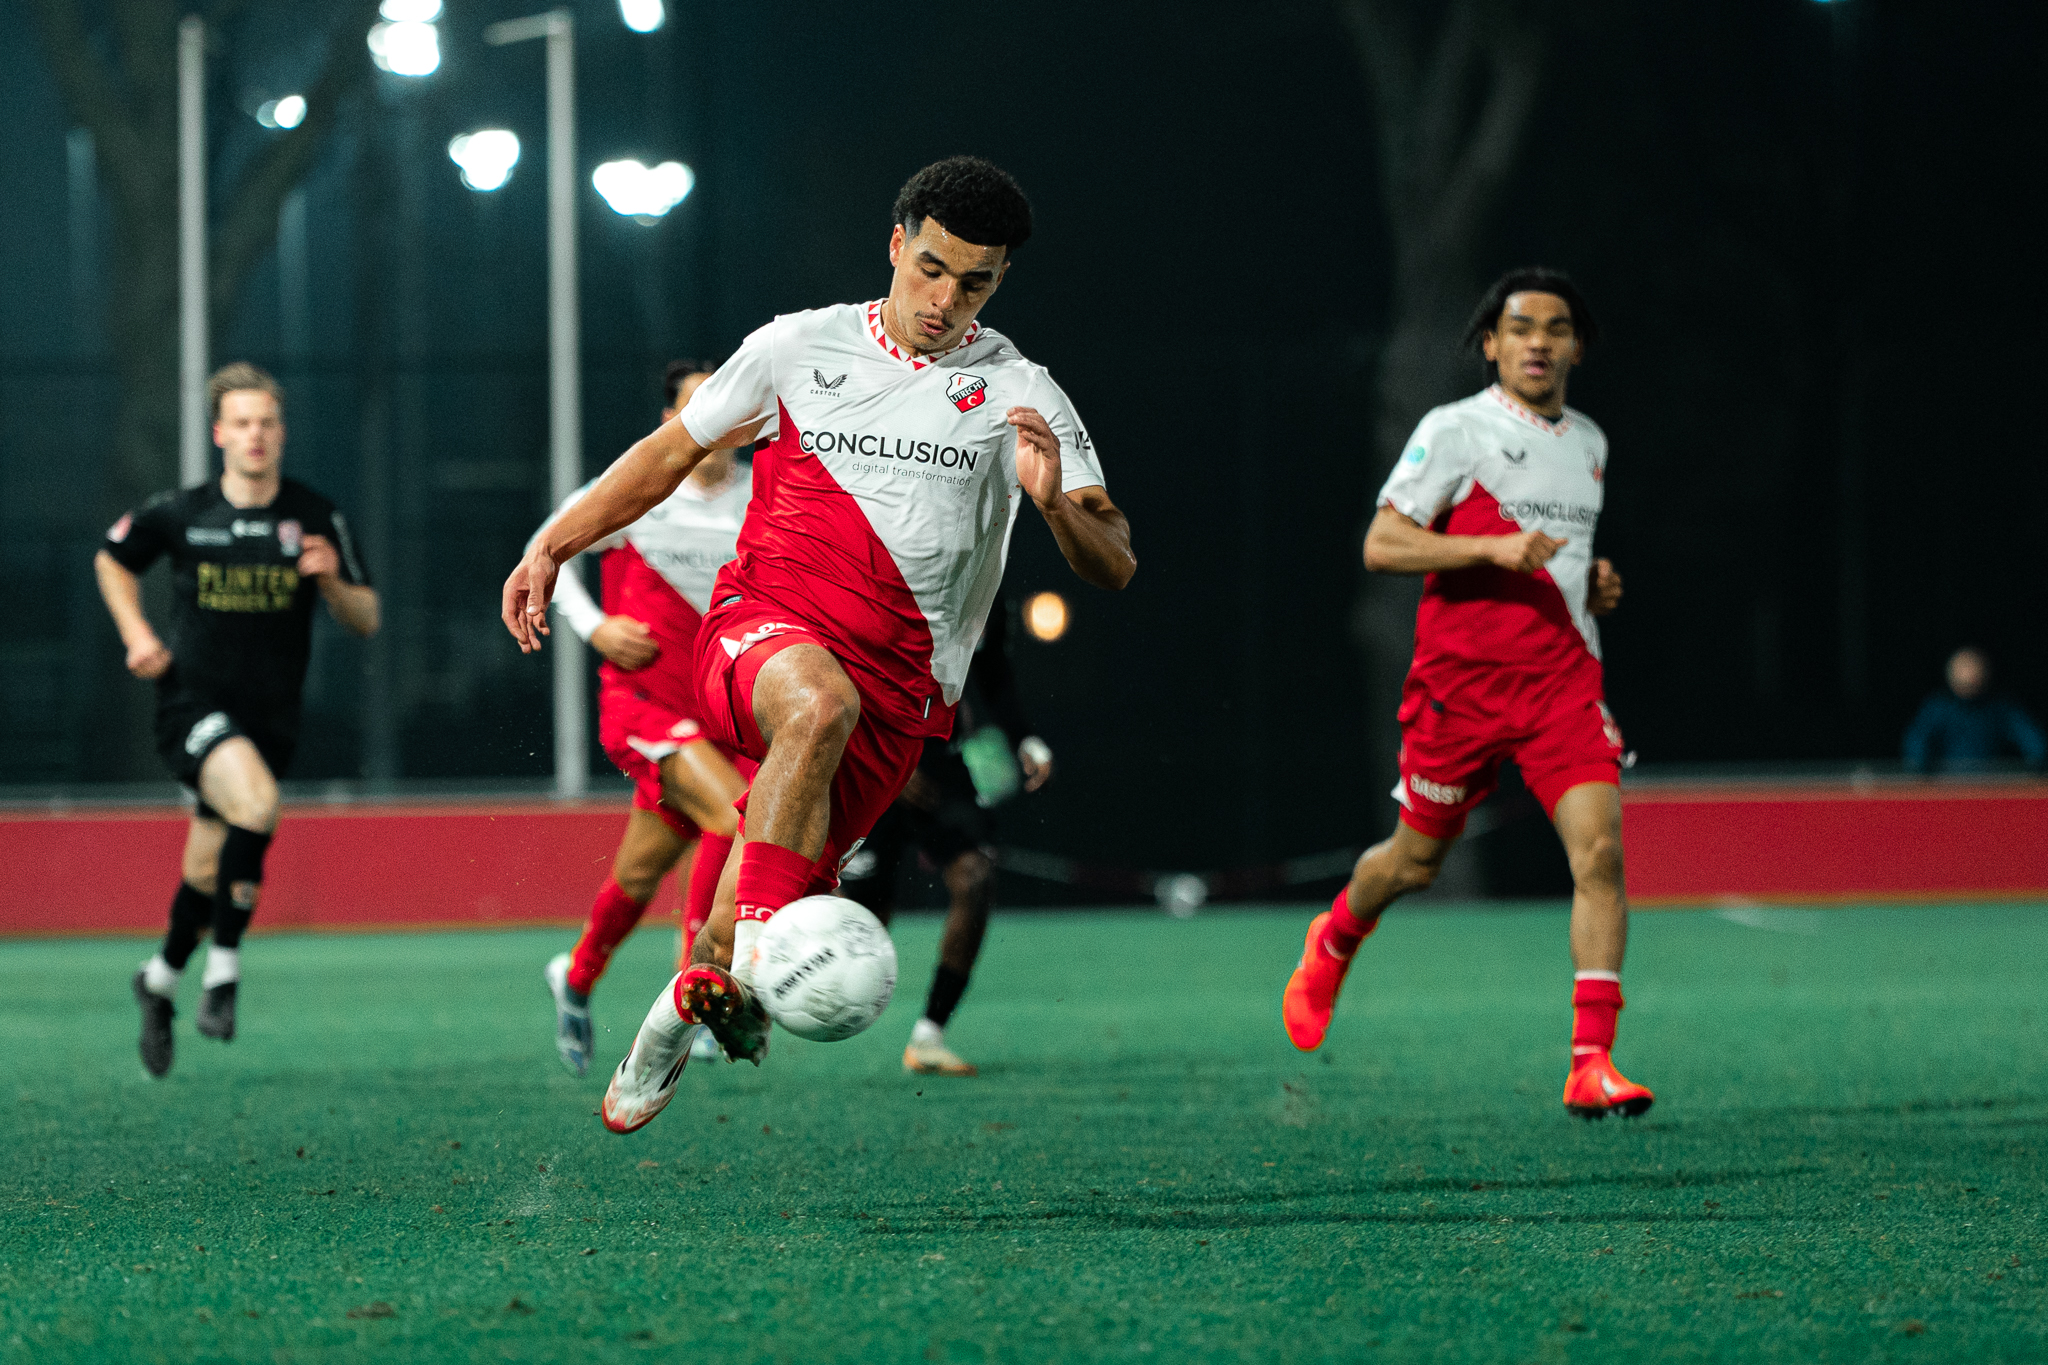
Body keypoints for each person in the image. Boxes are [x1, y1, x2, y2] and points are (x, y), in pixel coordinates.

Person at [501, 155, 1136, 1134]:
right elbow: (669, 455)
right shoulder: (798, 348)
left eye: (974, 281)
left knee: (735, 927)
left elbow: (1114, 561)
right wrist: (554, 543)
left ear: (1000, 280)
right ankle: (760, 943)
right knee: (814, 705)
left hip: (900, 708)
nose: (944, 297)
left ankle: (680, 1012)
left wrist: (1054, 508)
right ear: (896, 244)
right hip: (760, 634)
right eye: (930, 267)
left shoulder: (1021, 392)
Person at [1281, 268, 1654, 1120]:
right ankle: (1336, 933)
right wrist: (1489, 552)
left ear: (1576, 348)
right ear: (1491, 343)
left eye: (1557, 328)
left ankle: (1591, 1062)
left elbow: (1551, 560)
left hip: (1562, 682)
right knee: (1415, 861)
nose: (1538, 342)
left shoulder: (1590, 442)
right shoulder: (1456, 430)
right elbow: (1382, 543)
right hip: (1461, 689)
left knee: (1599, 855)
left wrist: (1588, 584)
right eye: (1520, 327)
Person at [98, 362, 380, 1077]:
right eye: (242, 423)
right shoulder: (183, 511)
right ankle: (223, 973)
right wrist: (135, 632)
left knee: (204, 869)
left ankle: (158, 980)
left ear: (280, 433)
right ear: (220, 433)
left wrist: (332, 582)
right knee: (258, 803)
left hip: (271, 720)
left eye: (267, 422)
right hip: (191, 708)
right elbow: (112, 558)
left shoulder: (316, 514)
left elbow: (367, 617)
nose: (255, 434)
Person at [537, 361, 755, 1075]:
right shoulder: (640, 488)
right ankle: (699, 992)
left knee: (637, 875)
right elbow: (551, 547)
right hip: (642, 706)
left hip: (719, 718)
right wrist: (595, 626)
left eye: (727, 403)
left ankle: (575, 975)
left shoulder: (761, 495)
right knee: (735, 819)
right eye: (698, 405)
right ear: (670, 422)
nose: (715, 419)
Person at [840, 594, 1054, 1077]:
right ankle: (773, 1000)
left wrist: (1024, 737)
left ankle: (929, 1035)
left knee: (976, 876)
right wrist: (884, 753)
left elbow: (993, 672)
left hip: (943, 765)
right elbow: (841, 663)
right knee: (862, 917)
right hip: (873, 755)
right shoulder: (894, 564)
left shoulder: (987, 583)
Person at [1902, 648, 2046, 774]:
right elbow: (1917, 740)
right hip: (1947, 784)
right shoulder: (1938, 707)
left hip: (1990, 784)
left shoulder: (2000, 707)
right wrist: (1920, 767)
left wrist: (2038, 760)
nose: (1969, 680)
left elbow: (2029, 736)